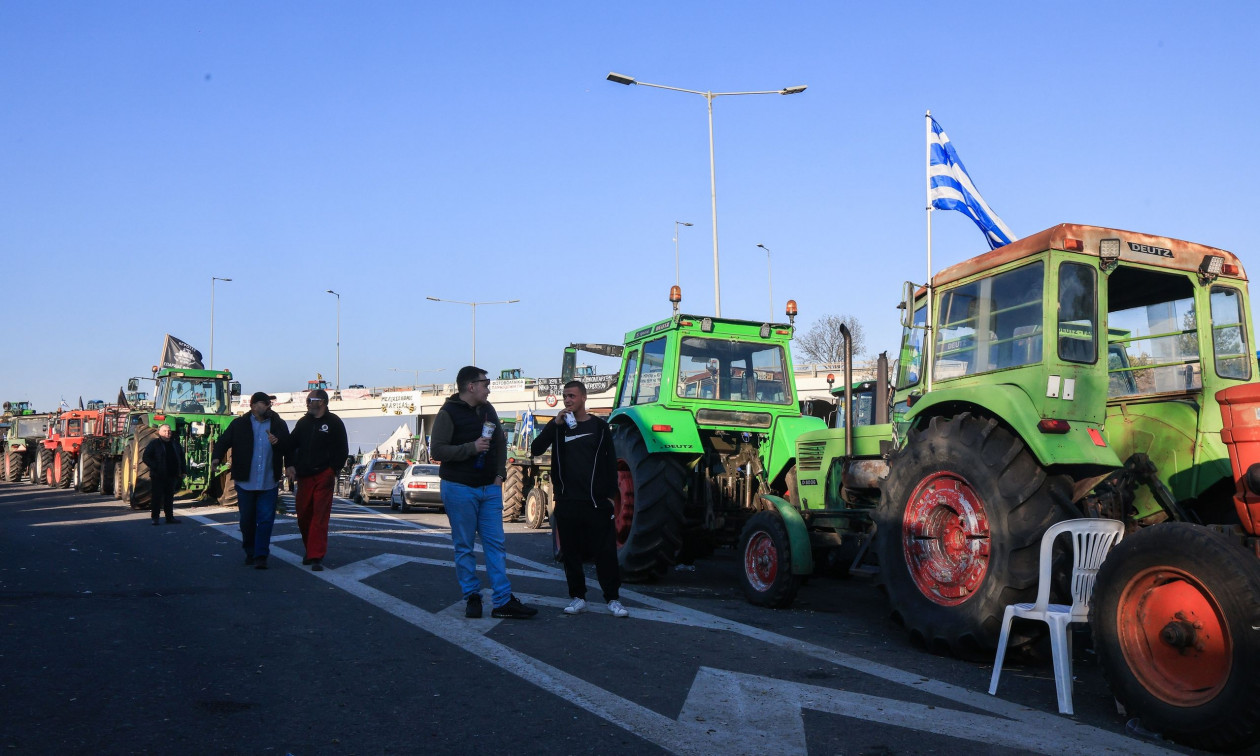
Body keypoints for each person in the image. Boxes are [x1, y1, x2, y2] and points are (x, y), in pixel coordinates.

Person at [431, 366, 536, 620]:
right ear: (470, 386)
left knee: (496, 544)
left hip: (489, 488)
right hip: (459, 488)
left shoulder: (488, 409)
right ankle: (472, 597)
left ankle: (501, 600)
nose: (488, 388)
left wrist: (500, 475)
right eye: (485, 383)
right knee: (464, 546)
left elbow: (499, 441)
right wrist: (471, 447)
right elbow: (437, 451)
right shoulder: (448, 413)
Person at [530, 380, 627, 618]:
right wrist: (554, 424)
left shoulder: (599, 427)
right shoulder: (559, 427)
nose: (568, 400)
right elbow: (536, 449)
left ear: (583, 398)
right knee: (570, 553)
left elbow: (609, 461)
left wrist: (608, 495)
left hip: (595, 502)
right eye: (565, 396)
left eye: (572, 396)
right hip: (567, 501)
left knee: (605, 553)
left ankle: (613, 599)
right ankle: (577, 597)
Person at [212, 391, 291, 570]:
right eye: (263, 403)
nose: (267, 406)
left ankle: (261, 555)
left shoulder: (278, 424)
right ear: (253, 406)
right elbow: (223, 441)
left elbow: (289, 446)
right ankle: (250, 551)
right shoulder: (239, 424)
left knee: (265, 519)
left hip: (268, 481)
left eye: (268, 403)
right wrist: (216, 458)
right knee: (247, 520)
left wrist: (278, 443)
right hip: (245, 481)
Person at [285, 388, 348, 572]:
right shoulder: (303, 423)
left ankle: (316, 556)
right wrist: (289, 464)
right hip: (304, 476)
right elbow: (290, 445)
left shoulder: (334, 423)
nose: (307, 402)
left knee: (320, 516)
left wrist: (333, 469)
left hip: (324, 475)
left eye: (310, 399)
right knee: (304, 514)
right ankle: (310, 549)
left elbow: (342, 449)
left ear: (321, 402)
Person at [142, 423, 185, 526]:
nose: (167, 433)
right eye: (165, 431)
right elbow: (146, 457)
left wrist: (183, 471)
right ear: (159, 433)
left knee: (169, 498)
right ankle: (155, 518)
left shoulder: (175, 444)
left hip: (172, 474)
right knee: (157, 497)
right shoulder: (154, 444)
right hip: (158, 475)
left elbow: (181, 458)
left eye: (169, 431)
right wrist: (156, 466)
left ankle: (169, 517)